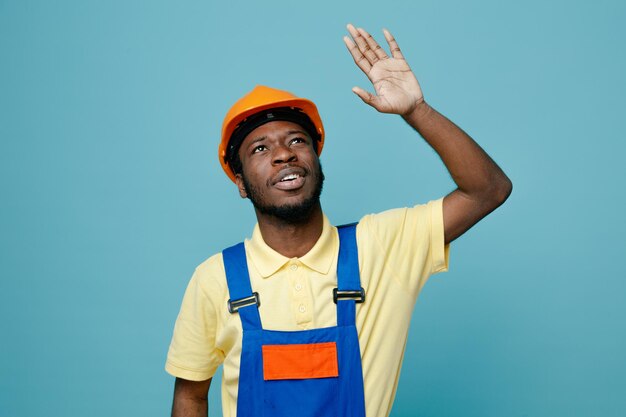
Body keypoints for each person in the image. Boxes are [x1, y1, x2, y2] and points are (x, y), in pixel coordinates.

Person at [165, 24, 512, 417]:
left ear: (316, 159)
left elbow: (488, 190)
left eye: (297, 140)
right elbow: (191, 395)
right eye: (260, 148)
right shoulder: (214, 280)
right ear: (241, 183)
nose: (284, 154)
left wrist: (417, 110)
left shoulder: (382, 247)